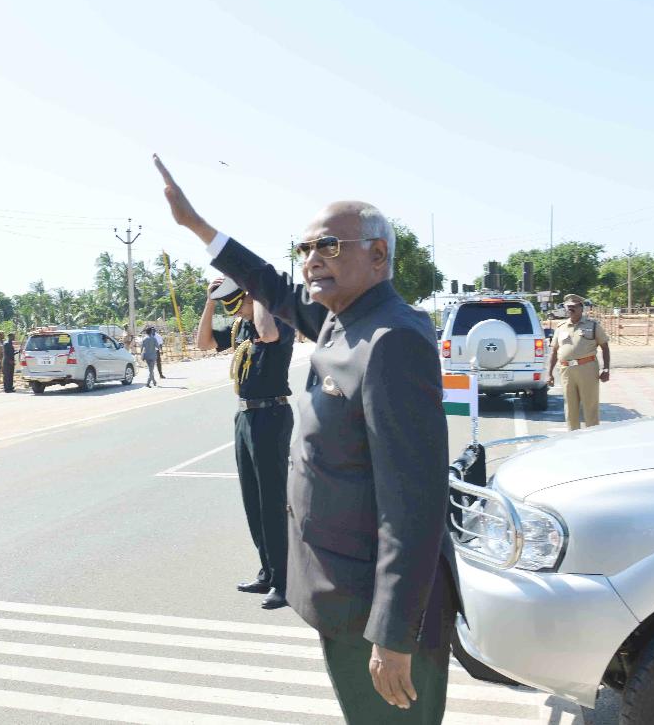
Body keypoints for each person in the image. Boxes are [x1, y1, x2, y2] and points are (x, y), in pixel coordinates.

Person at [158, 154, 453, 722]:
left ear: (378, 255)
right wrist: (197, 226)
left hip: (378, 613)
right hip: (346, 598)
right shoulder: (345, 318)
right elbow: (270, 285)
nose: (312, 259)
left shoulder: (391, 339)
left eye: (329, 246)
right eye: (306, 248)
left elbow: (413, 505)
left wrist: (394, 634)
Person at [196, 276, 296, 611]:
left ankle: (285, 582)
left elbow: (267, 335)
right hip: (245, 416)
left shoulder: (278, 321)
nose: (235, 311)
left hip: (271, 415)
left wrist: (259, 291)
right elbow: (203, 343)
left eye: (239, 303)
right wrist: (210, 302)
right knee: (253, 501)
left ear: (252, 297)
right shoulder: (241, 327)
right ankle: (267, 572)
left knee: (272, 502)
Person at [548, 294, 611, 431]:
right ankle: (573, 437)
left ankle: (592, 436)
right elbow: (554, 351)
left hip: (587, 369)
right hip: (566, 371)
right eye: (568, 307)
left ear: (581, 308)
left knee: (590, 406)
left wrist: (606, 369)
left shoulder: (592, 325)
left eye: (574, 307)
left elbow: (605, 347)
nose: (570, 309)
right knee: (570, 407)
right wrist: (550, 373)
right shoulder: (561, 327)